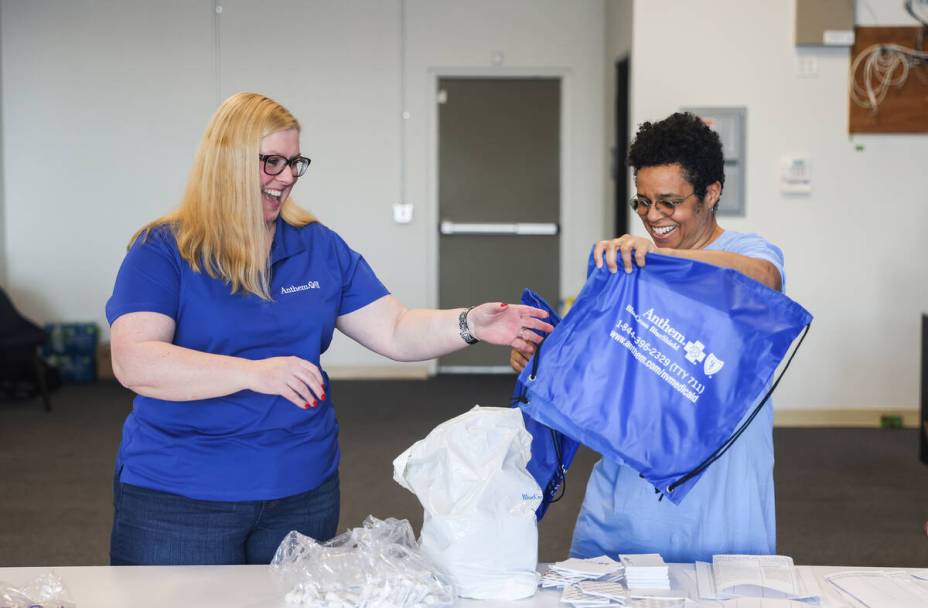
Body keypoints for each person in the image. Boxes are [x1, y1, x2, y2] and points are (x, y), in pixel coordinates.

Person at [105, 92, 552, 566]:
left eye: (295, 163)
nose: (287, 178)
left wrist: (470, 324)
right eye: (271, 162)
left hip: (301, 490)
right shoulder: (163, 250)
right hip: (180, 493)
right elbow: (135, 360)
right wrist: (254, 373)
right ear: (226, 164)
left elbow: (396, 330)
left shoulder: (317, 246)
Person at [511, 112, 785, 562]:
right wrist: (540, 362)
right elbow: (595, 371)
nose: (653, 218)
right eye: (643, 203)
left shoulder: (745, 253)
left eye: (669, 202)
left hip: (716, 487)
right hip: (631, 486)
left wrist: (663, 264)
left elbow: (765, 280)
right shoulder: (630, 266)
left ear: (711, 193)